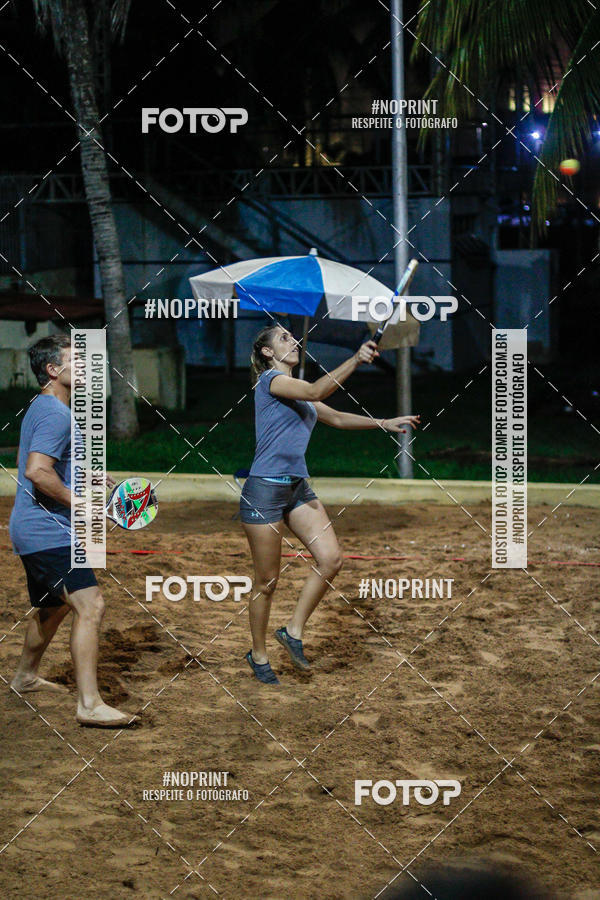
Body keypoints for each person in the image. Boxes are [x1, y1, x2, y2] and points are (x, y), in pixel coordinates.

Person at [240, 323, 420, 684]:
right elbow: (315, 389)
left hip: (296, 489)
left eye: (293, 336)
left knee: (331, 559)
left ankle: (292, 631)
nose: (294, 340)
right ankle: (258, 655)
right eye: (284, 338)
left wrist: (383, 422)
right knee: (267, 581)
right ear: (267, 352)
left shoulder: (296, 391)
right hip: (264, 491)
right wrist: (355, 359)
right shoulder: (271, 381)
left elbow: (335, 417)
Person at [9, 333, 137, 727]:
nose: (84, 366)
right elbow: (37, 471)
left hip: (33, 529)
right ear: (53, 369)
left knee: (53, 607)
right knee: (90, 604)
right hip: (47, 532)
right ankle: (89, 704)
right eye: (76, 360)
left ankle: (25, 676)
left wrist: (86, 475)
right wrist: (83, 504)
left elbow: (46, 462)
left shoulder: (45, 406)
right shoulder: (56, 414)